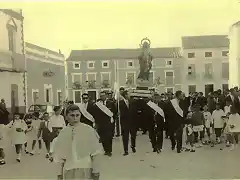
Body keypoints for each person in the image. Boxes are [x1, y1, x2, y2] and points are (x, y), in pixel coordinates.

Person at [53, 104, 102, 180]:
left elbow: (96, 152)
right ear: (66, 117)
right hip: (69, 169)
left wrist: (96, 170)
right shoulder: (63, 133)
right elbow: (58, 156)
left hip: (85, 168)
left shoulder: (88, 130)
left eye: (77, 115)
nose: (75, 118)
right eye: (72, 115)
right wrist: (59, 174)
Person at [119, 90, 136, 155]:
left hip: (132, 122)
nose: (129, 95)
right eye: (128, 94)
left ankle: (133, 146)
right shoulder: (120, 103)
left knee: (133, 136)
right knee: (125, 137)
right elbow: (120, 112)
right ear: (125, 95)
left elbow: (134, 111)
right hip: (125, 122)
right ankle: (126, 150)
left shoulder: (132, 102)